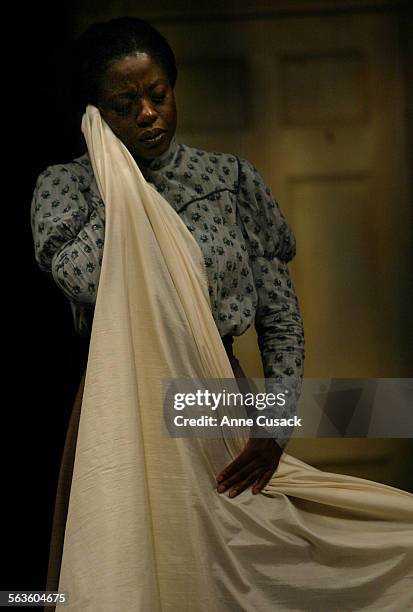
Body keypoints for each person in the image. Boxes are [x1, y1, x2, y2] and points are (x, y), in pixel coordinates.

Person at [31, 17, 413, 612]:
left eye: (158, 95)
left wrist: (275, 423)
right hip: (119, 402)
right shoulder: (69, 188)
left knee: (254, 561)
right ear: (95, 113)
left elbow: (279, 315)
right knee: (127, 572)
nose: (148, 115)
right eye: (123, 104)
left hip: (214, 402)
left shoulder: (227, 180)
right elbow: (84, 280)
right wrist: (116, 178)